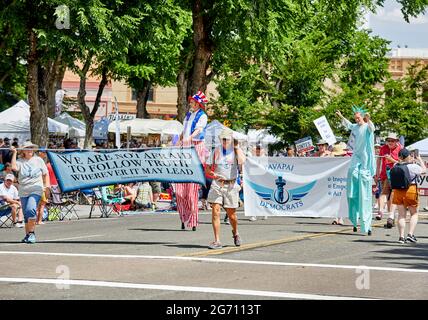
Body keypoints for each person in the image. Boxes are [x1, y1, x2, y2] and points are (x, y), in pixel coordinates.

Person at [336, 107, 375, 235]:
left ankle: (366, 223)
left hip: (365, 159)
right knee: (352, 177)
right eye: (355, 118)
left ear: (363, 117)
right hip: (356, 157)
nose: (357, 120)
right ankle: (354, 218)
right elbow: (349, 125)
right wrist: (341, 116)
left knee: (364, 190)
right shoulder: (356, 127)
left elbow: (372, 128)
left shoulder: (366, 127)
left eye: (358, 117)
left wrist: (368, 120)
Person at [205, 128, 246, 249]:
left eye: (227, 139)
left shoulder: (235, 151)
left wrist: (237, 147)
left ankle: (235, 232)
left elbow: (243, 161)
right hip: (217, 184)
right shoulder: (216, 150)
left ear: (232, 140)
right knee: (215, 211)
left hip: (231, 185)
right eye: (222, 139)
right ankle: (217, 240)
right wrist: (211, 173)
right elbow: (207, 167)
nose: (224, 141)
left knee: (232, 215)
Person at [174, 91, 208, 231]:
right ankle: (183, 216)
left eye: (193, 102)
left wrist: (189, 139)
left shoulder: (203, 116)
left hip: (196, 148)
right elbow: (184, 130)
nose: (190, 104)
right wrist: (179, 141)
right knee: (180, 191)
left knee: (192, 191)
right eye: (191, 102)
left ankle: (193, 219)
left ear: (198, 104)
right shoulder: (188, 115)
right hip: (185, 149)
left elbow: (198, 131)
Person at [11, 141, 50, 244]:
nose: (30, 150)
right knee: (26, 214)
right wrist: (14, 153)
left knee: (31, 209)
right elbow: (14, 168)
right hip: (23, 190)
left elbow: (46, 174)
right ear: (23, 150)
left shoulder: (39, 160)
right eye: (27, 148)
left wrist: (47, 187)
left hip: (36, 189)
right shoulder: (20, 161)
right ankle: (28, 235)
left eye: (31, 148)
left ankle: (32, 233)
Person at [391, 148, 426, 244]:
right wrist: (419, 159)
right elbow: (424, 171)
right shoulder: (413, 166)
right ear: (408, 156)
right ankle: (410, 235)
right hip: (410, 190)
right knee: (414, 214)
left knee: (401, 215)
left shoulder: (395, 165)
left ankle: (401, 237)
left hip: (398, 191)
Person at [375, 133, 402, 227]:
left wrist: (392, 160)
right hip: (384, 174)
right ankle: (381, 211)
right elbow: (379, 161)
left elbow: (403, 163)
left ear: (396, 141)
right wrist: (377, 173)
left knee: (391, 197)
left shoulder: (400, 149)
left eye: (392, 141)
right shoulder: (383, 148)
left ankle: (391, 217)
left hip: (396, 174)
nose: (390, 142)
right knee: (384, 193)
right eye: (388, 140)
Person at [330, 142, 349, 226]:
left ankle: (341, 217)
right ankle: (335, 217)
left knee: (342, 199)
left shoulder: (347, 158)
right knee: (334, 199)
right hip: (334, 181)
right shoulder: (331, 159)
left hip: (345, 181)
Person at [249, 143, 268, 221]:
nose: (258, 150)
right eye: (257, 149)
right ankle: (254, 215)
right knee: (254, 198)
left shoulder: (265, 158)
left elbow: (266, 171)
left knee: (263, 198)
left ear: (263, 150)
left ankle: (265, 212)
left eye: (259, 149)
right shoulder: (252, 159)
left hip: (263, 181)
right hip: (254, 181)